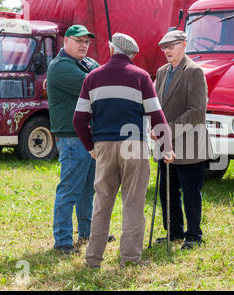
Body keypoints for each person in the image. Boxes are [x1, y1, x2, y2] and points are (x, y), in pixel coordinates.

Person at [73, 33, 175, 268]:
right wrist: (167, 147)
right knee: (133, 203)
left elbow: (79, 119)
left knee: (102, 203)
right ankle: (130, 259)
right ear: (132, 55)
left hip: (103, 146)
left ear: (111, 49)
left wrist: (91, 146)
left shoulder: (92, 77)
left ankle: (93, 260)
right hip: (134, 146)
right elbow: (157, 116)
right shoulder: (140, 77)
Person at [154, 30, 213, 250]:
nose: (167, 51)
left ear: (184, 45)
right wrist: (156, 128)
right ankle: (175, 232)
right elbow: (157, 107)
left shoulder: (194, 71)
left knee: (190, 192)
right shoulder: (161, 72)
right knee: (167, 191)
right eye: (164, 47)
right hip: (166, 145)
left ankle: (193, 235)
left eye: (171, 46)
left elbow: (197, 111)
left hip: (190, 144)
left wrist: (167, 131)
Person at [47, 25, 103, 255]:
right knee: (69, 191)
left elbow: (99, 76)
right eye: (78, 40)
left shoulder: (85, 64)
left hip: (87, 137)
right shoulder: (61, 67)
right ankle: (62, 242)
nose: (84, 45)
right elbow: (96, 86)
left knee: (88, 189)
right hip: (72, 138)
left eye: (87, 42)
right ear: (65, 42)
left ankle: (87, 232)